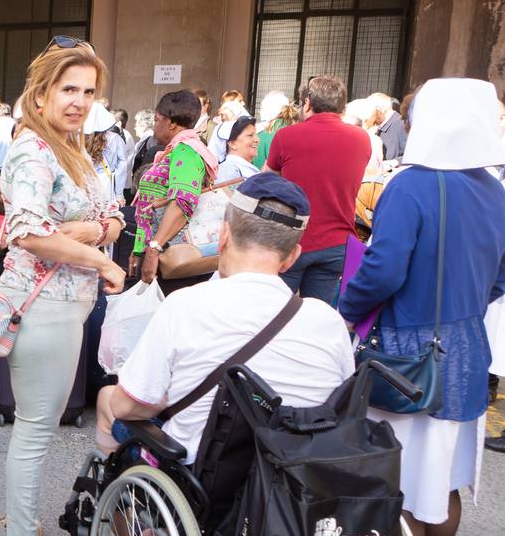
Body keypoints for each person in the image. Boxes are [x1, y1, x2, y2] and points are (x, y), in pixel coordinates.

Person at [339, 78, 505, 536]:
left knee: (404, 481)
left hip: (411, 349)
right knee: (447, 477)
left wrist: (347, 306)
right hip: (467, 347)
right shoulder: (494, 190)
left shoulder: (410, 188)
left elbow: (383, 270)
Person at [96, 175, 354, 465]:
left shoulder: (185, 305)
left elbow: (127, 406)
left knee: (109, 399)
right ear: (292, 257)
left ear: (223, 236)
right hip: (294, 481)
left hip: (205, 474)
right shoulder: (328, 322)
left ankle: (116, 506)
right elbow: (340, 409)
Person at [0, 37, 125, 536]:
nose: (78, 100)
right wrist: (97, 252)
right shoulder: (33, 151)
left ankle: (18, 523)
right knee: (36, 428)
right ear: (41, 93)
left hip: (68, 306)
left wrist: (85, 232)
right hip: (44, 308)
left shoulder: (73, 148)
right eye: (67, 89)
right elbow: (25, 231)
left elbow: (112, 214)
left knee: (37, 425)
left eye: (88, 91)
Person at [266, 75, 371, 302]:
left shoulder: (286, 136)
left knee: (271, 315)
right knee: (317, 319)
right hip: (337, 244)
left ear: (307, 103)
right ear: (342, 107)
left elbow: (266, 180)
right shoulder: (362, 139)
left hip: (292, 240)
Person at [133, 90, 217, 287]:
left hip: (170, 257)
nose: (154, 126)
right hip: (160, 252)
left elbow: (182, 203)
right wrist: (139, 250)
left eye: (156, 120)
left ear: (171, 123)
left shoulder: (186, 151)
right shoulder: (176, 150)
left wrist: (153, 249)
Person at [252, 90, 295, 168]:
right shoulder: (296, 129)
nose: (259, 111)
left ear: (270, 109)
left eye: (261, 108)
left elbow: (257, 169)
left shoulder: (263, 135)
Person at [219, 116, 260, 182]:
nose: (257, 139)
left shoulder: (239, 167)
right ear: (232, 144)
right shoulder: (228, 169)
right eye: (250, 135)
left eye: (256, 135)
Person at [371, 92, 406, 161]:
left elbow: (411, 154)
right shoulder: (379, 126)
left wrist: (394, 162)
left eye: (371, 111)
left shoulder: (401, 124)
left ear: (381, 110)